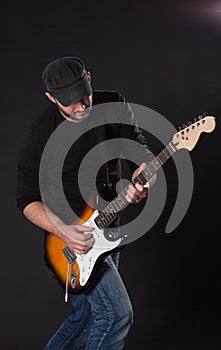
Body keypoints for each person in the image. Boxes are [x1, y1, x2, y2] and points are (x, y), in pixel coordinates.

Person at [16, 56, 156, 349]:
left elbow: (136, 144)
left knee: (84, 318)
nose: (81, 106)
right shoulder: (39, 136)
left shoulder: (114, 104)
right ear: (51, 98)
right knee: (116, 315)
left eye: (84, 97)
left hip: (108, 229)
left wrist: (144, 173)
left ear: (89, 78)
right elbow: (26, 199)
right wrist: (63, 230)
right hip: (70, 243)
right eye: (70, 102)